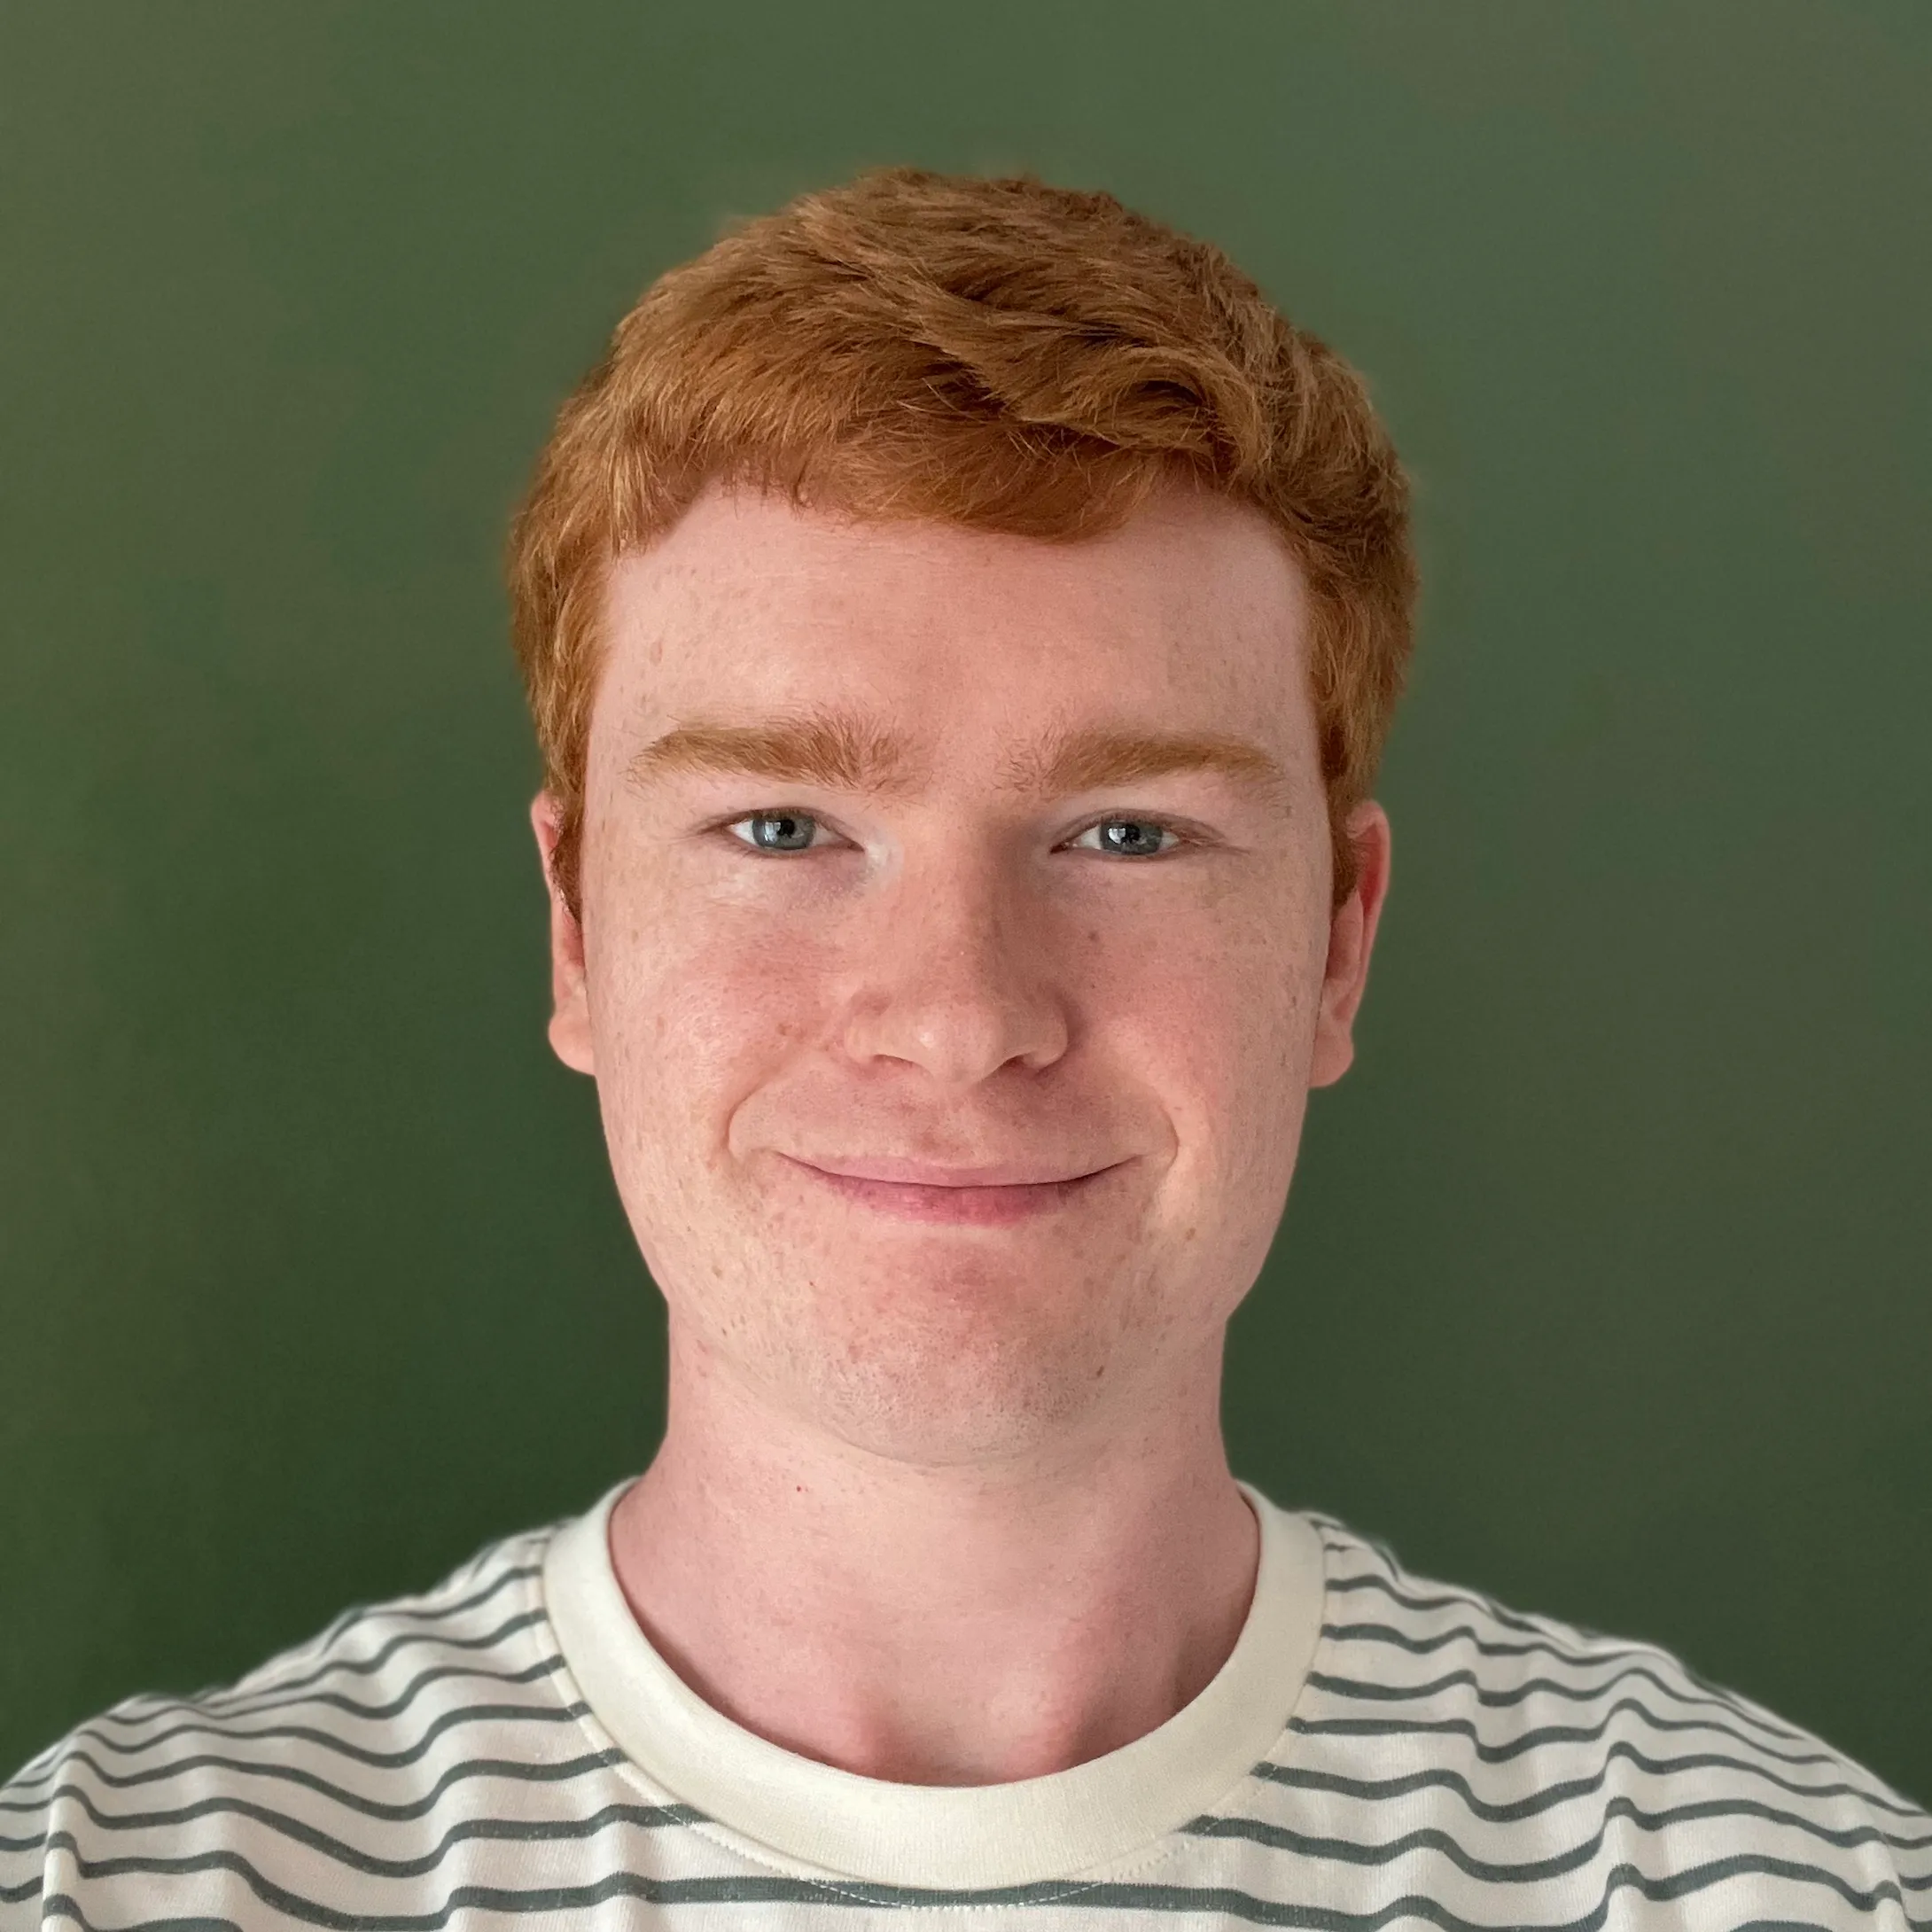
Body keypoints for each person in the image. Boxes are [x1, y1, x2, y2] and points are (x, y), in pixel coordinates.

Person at [4, 167, 1924, 1931]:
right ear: (577, 928)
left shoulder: (1790, 1895)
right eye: (781, 828)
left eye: (1128, 833)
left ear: (1339, 942)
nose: (960, 1014)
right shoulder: (110, 1888)